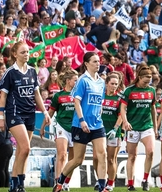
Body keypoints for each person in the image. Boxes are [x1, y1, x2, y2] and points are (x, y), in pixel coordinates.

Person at [0, 41, 50, 192]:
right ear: (14, 54)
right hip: (14, 113)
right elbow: (3, 97)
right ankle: (16, 183)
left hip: (30, 113)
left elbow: (37, 94)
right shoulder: (10, 72)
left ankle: (18, 185)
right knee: (26, 148)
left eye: (27, 52)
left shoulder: (33, 71)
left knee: (22, 150)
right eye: (23, 52)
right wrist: (1, 117)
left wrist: (45, 112)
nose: (26, 55)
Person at [53, 52, 107, 192]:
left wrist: (99, 114)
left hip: (97, 124)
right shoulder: (83, 80)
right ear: (86, 64)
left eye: (98, 61)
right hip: (80, 124)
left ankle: (103, 186)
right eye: (94, 61)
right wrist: (82, 120)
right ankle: (60, 181)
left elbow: (100, 102)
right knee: (78, 160)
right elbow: (76, 101)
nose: (98, 63)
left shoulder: (101, 82)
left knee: (103, 154)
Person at [121, 65, 157, 191]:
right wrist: (125, 122)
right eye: (146, 79)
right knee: (132, 156)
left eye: (150, 79)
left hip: (147, 126)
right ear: (139, 78)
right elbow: (123, 108)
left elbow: (153, 109)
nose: (148, 82)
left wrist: (156, 127)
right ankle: (130, 183)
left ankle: (145, 180)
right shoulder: (129, 91)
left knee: (151, 152)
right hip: (133, 128)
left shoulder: (151, 90)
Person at [41, 71, 78, 189]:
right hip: (62, 126)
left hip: (75, 128)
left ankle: (65, 182)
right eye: (75, 80)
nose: (77, 82)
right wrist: (42, 127)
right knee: (62, 154)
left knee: (73, 159)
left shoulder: (79, 95)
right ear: (68, 81)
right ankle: (58, 182)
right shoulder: (59, 95)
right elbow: (50, 112)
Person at [102, 72, 124, 191]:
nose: (114, 86)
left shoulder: (119, 98)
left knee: (111, 158)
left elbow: (121, 115)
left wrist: (115, 129)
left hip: (113, 131)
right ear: (106, 83)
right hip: (99, 131)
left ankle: (110, 184)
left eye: (116, 84)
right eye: (112, 83)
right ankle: (101, 180)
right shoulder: (100, 96)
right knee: (99, 157)